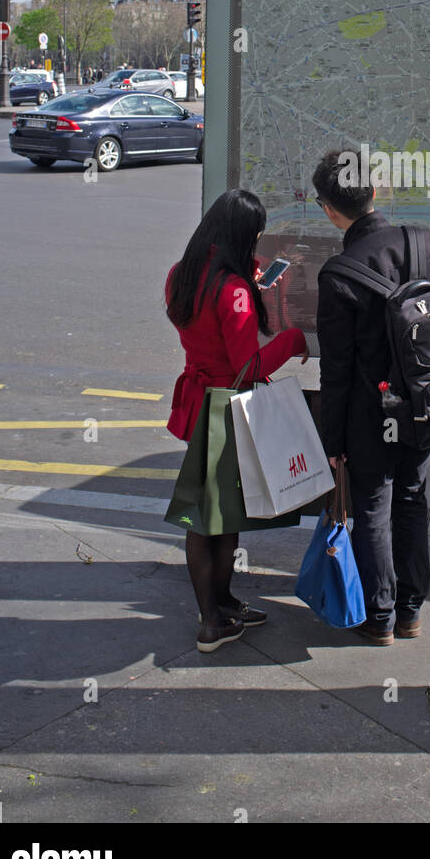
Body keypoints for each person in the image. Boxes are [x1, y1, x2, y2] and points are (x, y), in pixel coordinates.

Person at [313, 150, 430, 646]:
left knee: (372, 505)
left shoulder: (338, 275)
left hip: (369, 412)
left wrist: (330, 439)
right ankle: (411, 610)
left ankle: (378, 618)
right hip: (425, 403)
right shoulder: (426, 243)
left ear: (329, 209)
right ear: (376, 192)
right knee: (413, 497)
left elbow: (335, 372)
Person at [165, 188, 308, 653]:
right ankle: (212, 620)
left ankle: (222, 606)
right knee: (215, 522)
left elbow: (204, 323)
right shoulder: (234, 291)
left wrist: (244, 287)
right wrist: (291, 340)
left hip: (198, 403)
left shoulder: (181, 275)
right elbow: (250, 367)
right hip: (227, 409)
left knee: (210, 514)